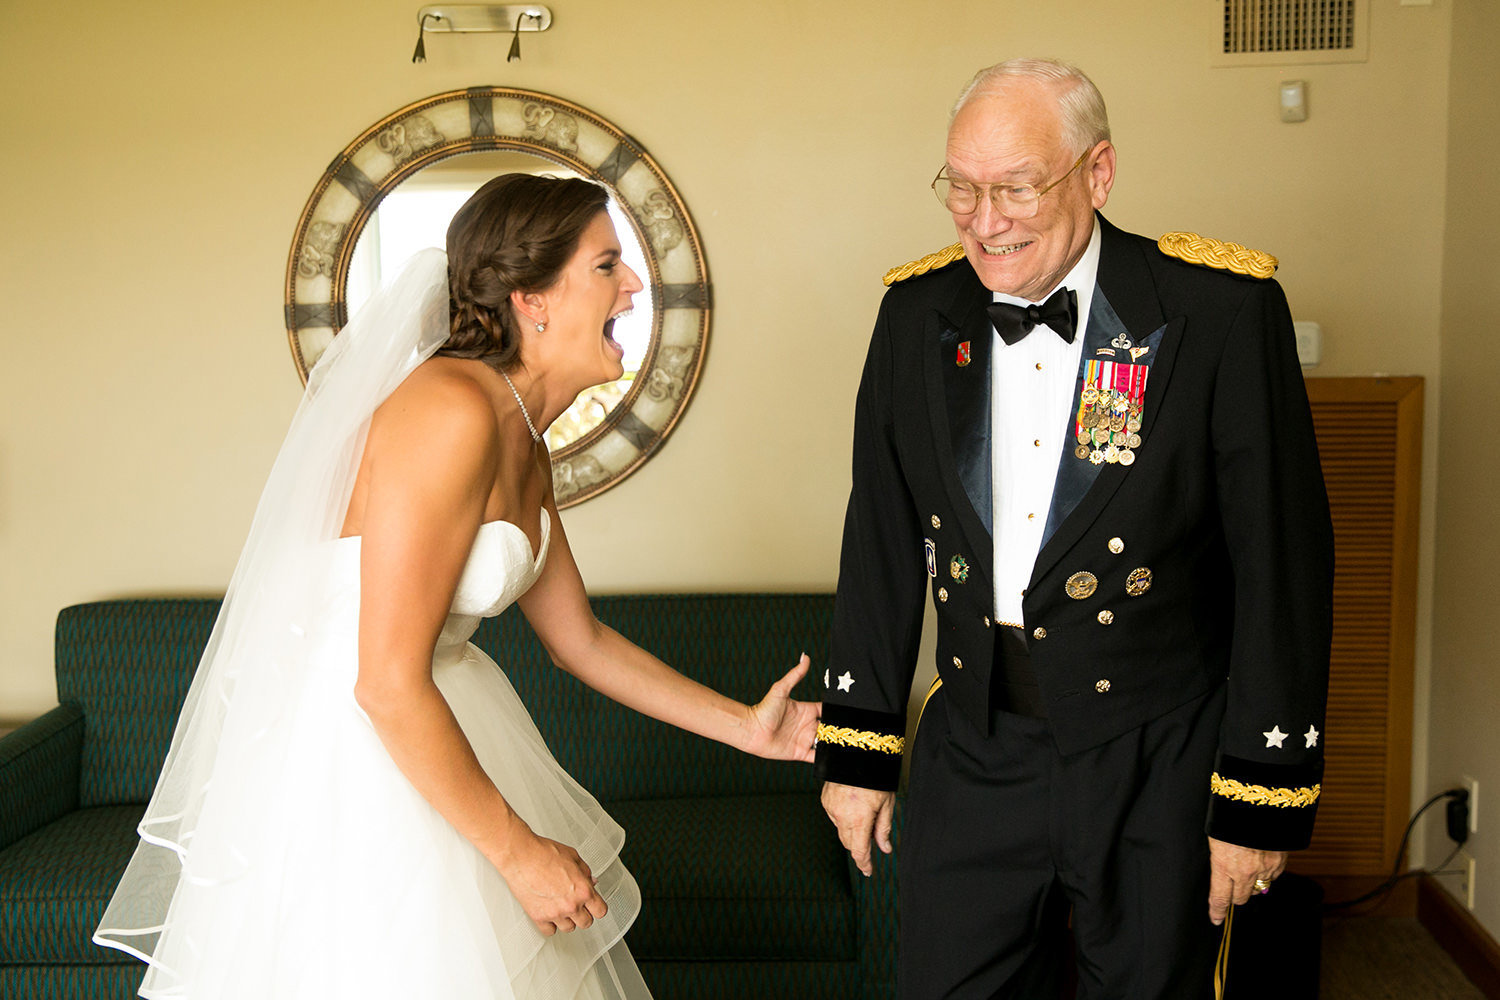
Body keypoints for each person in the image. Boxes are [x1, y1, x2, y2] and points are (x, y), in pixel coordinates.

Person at [94, 173, 820, 1000]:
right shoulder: (448, 410)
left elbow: (579, 640)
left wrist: (746, 729)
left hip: (430, 722)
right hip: (362, 759)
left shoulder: (522, 436)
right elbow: (385, 683)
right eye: (607, 265)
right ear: (532, 299)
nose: (635, 284)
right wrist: (516, 853)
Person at [815, 59, 1333, 999]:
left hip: (1157, 754)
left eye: (1016, 187)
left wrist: (1259, 793)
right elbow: (881, 539)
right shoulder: (914, 314)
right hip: (975, 743)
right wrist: (858, 751)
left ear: (1098, 173)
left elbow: (1282, 563)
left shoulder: (1217, 310)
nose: (983, 219)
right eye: (961, 188)